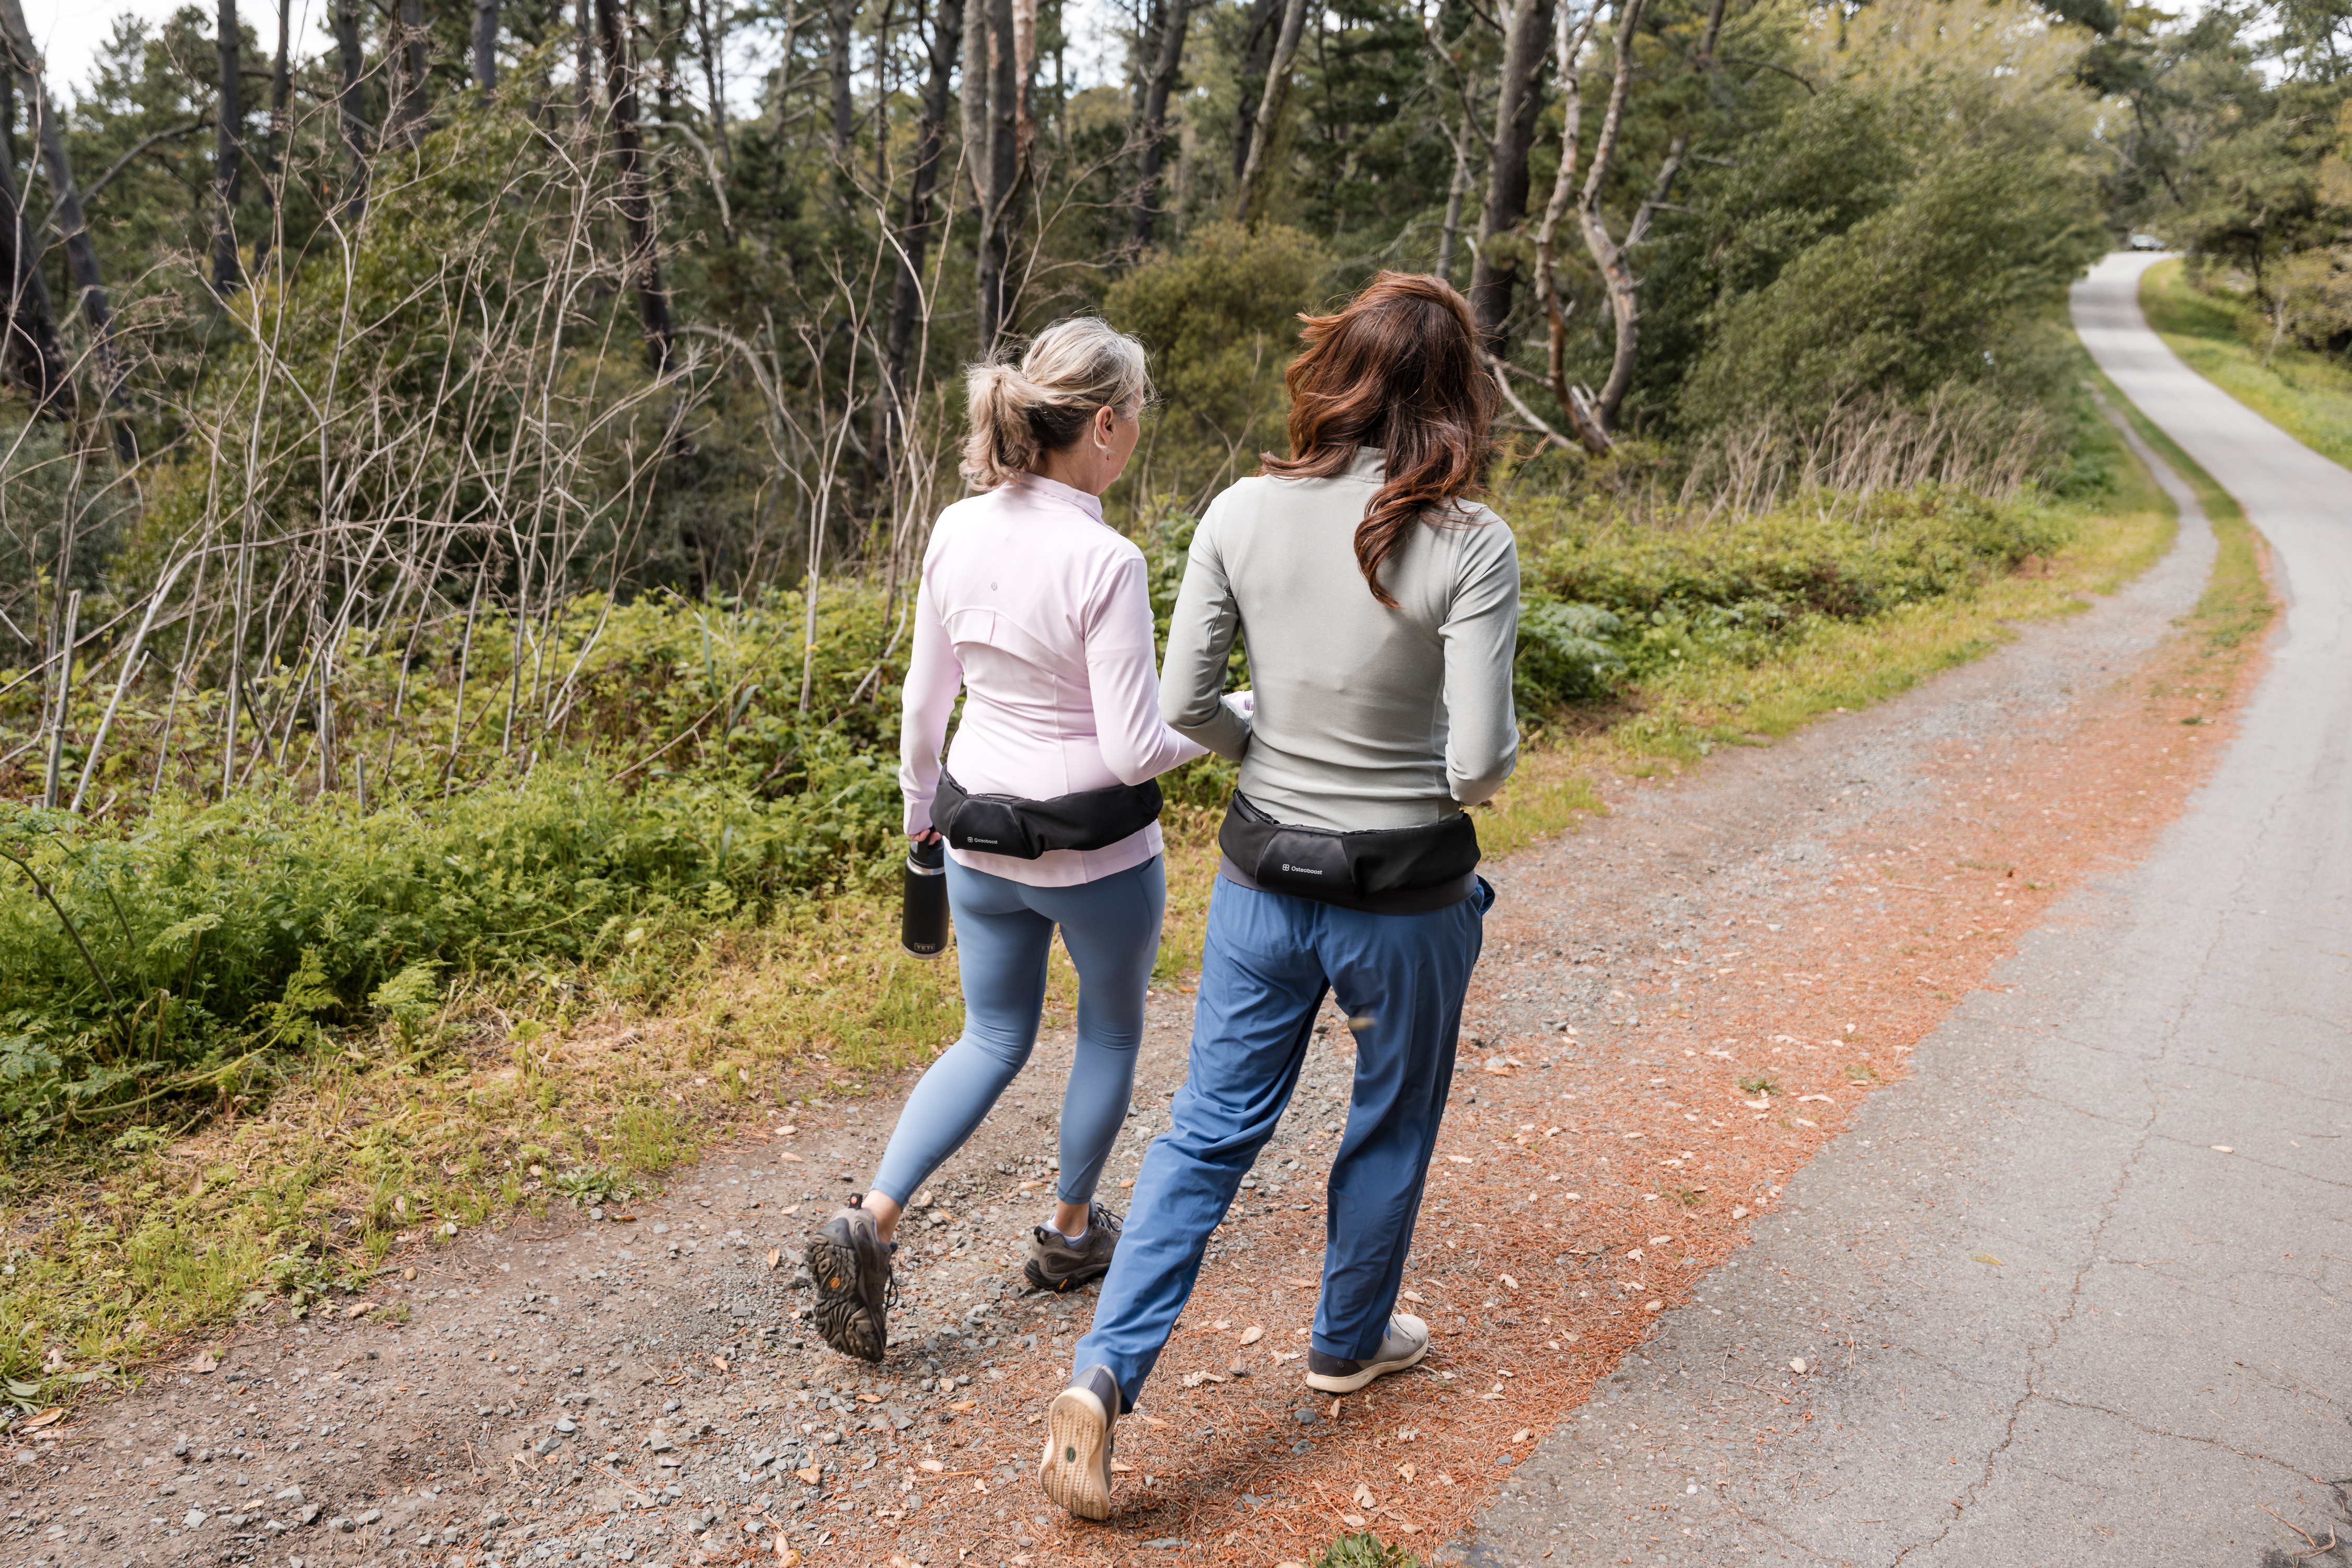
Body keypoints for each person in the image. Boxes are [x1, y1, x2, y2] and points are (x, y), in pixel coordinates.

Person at [1037, 273, 1518, 1520]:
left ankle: (1102, 1377)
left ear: (1334, 374)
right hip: (1408, 897)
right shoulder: (1471, 542)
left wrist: (1279, 756)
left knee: (1207, 1128)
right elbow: (1475, 765)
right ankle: (1346, 1341)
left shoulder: (1240, 510)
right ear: (1455, 396)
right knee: (1388, 1123)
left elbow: (1188, 708)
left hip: (1262, 876)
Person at [805, 318, 1246, 1364]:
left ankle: (872, 1219)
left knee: (991, 1038)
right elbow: (1137, 747)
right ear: (1103, 423)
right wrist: (1244, 709)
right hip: (1094, 853)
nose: (1134, 435)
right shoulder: (1107, 558)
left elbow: (925, 704)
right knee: (1105, 1034)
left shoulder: (958, 526)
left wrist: (923, 812)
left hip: (976, 830)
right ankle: (1071, 1234)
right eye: (1134, 418)